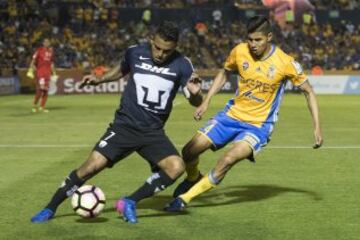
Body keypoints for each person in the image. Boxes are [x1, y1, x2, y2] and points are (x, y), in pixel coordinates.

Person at [31, 21, 202, 224]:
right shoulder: (134, 53)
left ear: (175, 48)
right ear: (151, 41)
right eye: (157, 47)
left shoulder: (182, 64)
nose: (160, 54)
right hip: (124, 126)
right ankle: (50, 208)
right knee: (89, 167)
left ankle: (130, 201)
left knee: (176, 167)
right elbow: (119, 71)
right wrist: (98, 80)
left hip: (152, 132)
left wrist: (195, 95)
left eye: (167, 51)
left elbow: (195, 101)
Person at [164, 15, 323, 212]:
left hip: (258, 126)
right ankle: (192, 177)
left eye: (258, 40)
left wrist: (316, 126)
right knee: (189, 150)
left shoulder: (285, 62)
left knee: (228, 159)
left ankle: (184, 199)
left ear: (269, 37)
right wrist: (207, 101)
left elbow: (308, 91)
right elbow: (224, 72)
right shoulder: (239, 51)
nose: (253, 44)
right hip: (231, 116)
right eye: (250, 39)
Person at [28, 38, 57, 113]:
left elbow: (51, 63)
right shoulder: (39, 51)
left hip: (47, 74)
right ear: (43, 43)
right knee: (40, 90)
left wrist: (54, 73)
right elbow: (33, 61)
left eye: (48, 42)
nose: (47, 43)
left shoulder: (51, 52)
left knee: (46, 91)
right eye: (45, 42)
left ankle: (42, 107)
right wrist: (30, 70)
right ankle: (34, 106)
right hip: (40, 73)